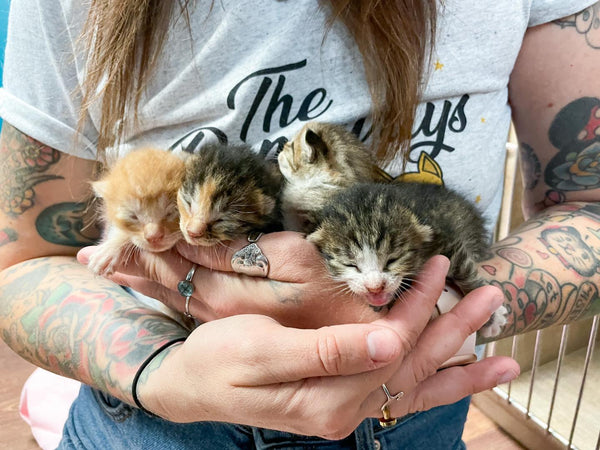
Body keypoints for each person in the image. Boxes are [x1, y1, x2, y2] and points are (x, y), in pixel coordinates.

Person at [0, 0, 598, 448]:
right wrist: (158, 370)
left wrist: (443, 312)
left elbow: (588, 203)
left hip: (417, 409)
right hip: (155, 423)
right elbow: (21, 260)